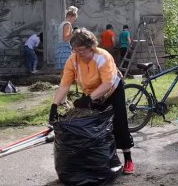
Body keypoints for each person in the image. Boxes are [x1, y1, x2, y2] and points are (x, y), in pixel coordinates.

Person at [49, 28, 135, 174]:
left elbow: (107, 83)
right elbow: (64, 84)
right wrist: (54, 106)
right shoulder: (73, 60)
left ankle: (128, 159)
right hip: (92, 93)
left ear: (91, 47)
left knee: (119, 122)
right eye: (75, 50)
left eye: (81, 50)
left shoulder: (103, 57)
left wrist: (89, 99)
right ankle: (99, 159)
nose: (78, 53)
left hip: (112, 90)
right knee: (94, 126)